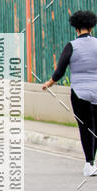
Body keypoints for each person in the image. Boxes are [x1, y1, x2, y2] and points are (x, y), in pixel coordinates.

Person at [42, 9, 97, 176]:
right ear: (91, 27)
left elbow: (60, 71)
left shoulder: (71, 46)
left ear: (76, 28)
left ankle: (89, 164)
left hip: (79, 94)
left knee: (85, 127)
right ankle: (93, 163)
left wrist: (49, 83)